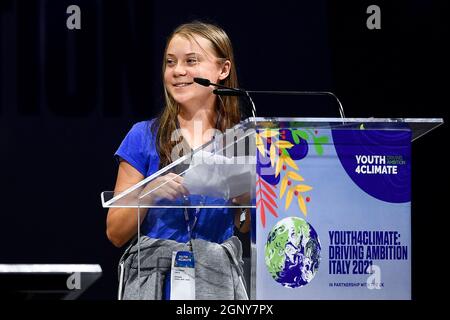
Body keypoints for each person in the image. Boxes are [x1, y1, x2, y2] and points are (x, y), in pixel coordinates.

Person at [106, 21, 250, 300]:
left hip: (216, 282)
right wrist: (149, 191)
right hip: (156, 283)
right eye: (170, 62)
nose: (178, 71)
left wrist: (244, 198)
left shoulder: (240, 140)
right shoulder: (143, 135)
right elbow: (115, 233)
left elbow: (245, 226)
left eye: (191, 61)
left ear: (223, 70)